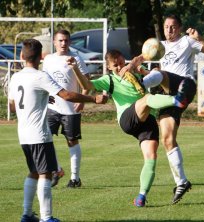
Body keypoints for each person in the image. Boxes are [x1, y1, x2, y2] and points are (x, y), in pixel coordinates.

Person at [74, 49, 187, 207]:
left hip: (147, 120)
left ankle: (141, 196)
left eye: (122, 62)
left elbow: (152, 73)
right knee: (147, 99)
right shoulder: (110, 79)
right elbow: (86, 84)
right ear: (109, 68)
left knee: (151, 157)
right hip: (127, 119)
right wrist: (75, 69)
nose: (120, 67)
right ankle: (176, 100)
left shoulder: (135, 74)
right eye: (116, 65)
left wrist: (143, 68)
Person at [9, 39, 107, 222]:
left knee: (33, 172)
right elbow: (67, 95)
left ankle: (27, 214)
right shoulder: (40, 76)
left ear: (22, 56)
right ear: (40, 57)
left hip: (23, 135)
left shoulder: (15, 77)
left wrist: (41, 99)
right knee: (45, 174)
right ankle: (47, 218)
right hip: (39, 135)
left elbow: (13, 107)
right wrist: (94, 99)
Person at [142, 14, 204, 204]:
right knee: (167, 139)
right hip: (169, 95)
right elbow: (145, 58)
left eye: (173, 26)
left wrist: (199, 38)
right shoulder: (158, 46)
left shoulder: (187, 41)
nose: (169, 30)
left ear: (180, 27)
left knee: (159, 73)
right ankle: (182, 181)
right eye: (167, 26)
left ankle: (140, 85)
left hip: (184, 86)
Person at [42, 29, 90, 188]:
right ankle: (56, 170)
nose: (63, 43)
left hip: (71, 108)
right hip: (51, 107)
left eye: (66, 41)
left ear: (70, 42)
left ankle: (75, 179)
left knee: (72, 141)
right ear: (54, 42)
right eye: (60, 41)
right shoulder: (48, 59)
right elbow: (44, 80)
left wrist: (82, 99)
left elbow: (86, 81)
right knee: (44, 138)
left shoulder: (76, 58)